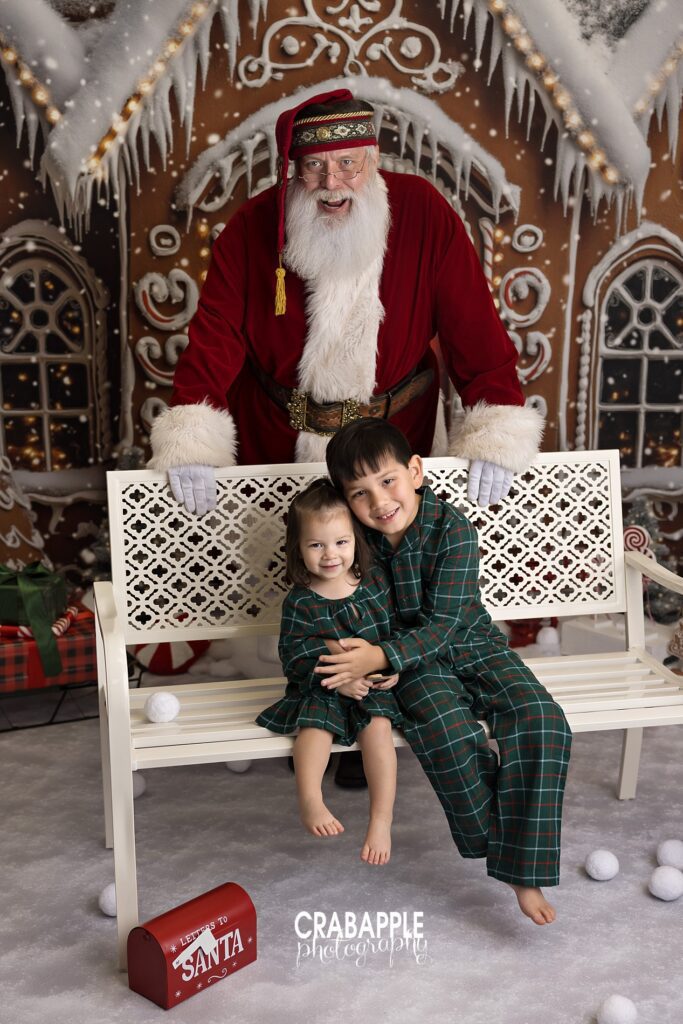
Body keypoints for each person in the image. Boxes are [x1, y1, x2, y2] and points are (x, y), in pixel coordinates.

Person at [147, 87, 544, 786]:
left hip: (389, 436)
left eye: (349, 166)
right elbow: (213, 339)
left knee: (390, 580)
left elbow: (476, 332)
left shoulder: (423, 213)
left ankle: (377, 724)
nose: (332, 185)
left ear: (374, 160)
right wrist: (193, 429)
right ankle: (321, 703)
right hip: (280, 430)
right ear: (291, 170)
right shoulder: (252, 226)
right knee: (314, 575)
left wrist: (495, 424)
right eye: (315, 169)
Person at [317, 418, 572, 925]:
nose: (379, 502)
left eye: (387, 481)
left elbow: (446, 622)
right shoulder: (353, 545)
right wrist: (366, 659)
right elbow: (335, 601)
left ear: (415, 471)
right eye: (360, 494)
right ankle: (510, 855)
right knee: (446, 734)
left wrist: (380, 657)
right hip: (409, 665)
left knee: (542, 720)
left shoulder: (453, 529)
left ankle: (523, 864)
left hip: (470, 643)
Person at [256, 478, 403, 864]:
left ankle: (381, 818)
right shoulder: (301, 602)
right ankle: (310, 799)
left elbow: (392, 634)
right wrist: (334, 669)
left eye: (341, 542)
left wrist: (391, 666)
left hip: (370, 688)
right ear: (298, 550)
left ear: (356, 541)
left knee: (378, 728)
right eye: (316, 545)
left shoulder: (372, 585)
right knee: (315, 726)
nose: (330, 555)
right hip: (321, 687)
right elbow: (293, 653)